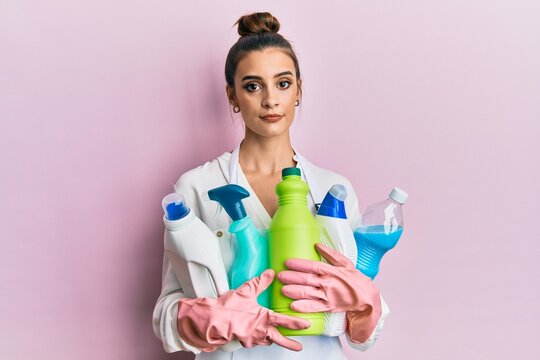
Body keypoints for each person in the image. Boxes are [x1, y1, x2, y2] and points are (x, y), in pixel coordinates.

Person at [152, 11, 390, 359]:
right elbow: (165, 316)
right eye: (252, 86)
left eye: (282, 83)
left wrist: (366, 302)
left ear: (298, 89)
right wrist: (211, 317)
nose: (270, 100)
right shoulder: (198, 187)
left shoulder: (332, 188)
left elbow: (360, 337)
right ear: (232, 95)